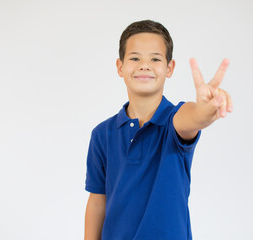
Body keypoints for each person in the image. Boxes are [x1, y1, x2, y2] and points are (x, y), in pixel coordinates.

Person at [84, 19, 233, 240]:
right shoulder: (102, 134)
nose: (145, 65)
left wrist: (206, 110)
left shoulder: (174, 120)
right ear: (120, 66)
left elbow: (193, 118)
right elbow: (97, 201)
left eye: (155, 59)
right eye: (135, 58)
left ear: (169, 68)